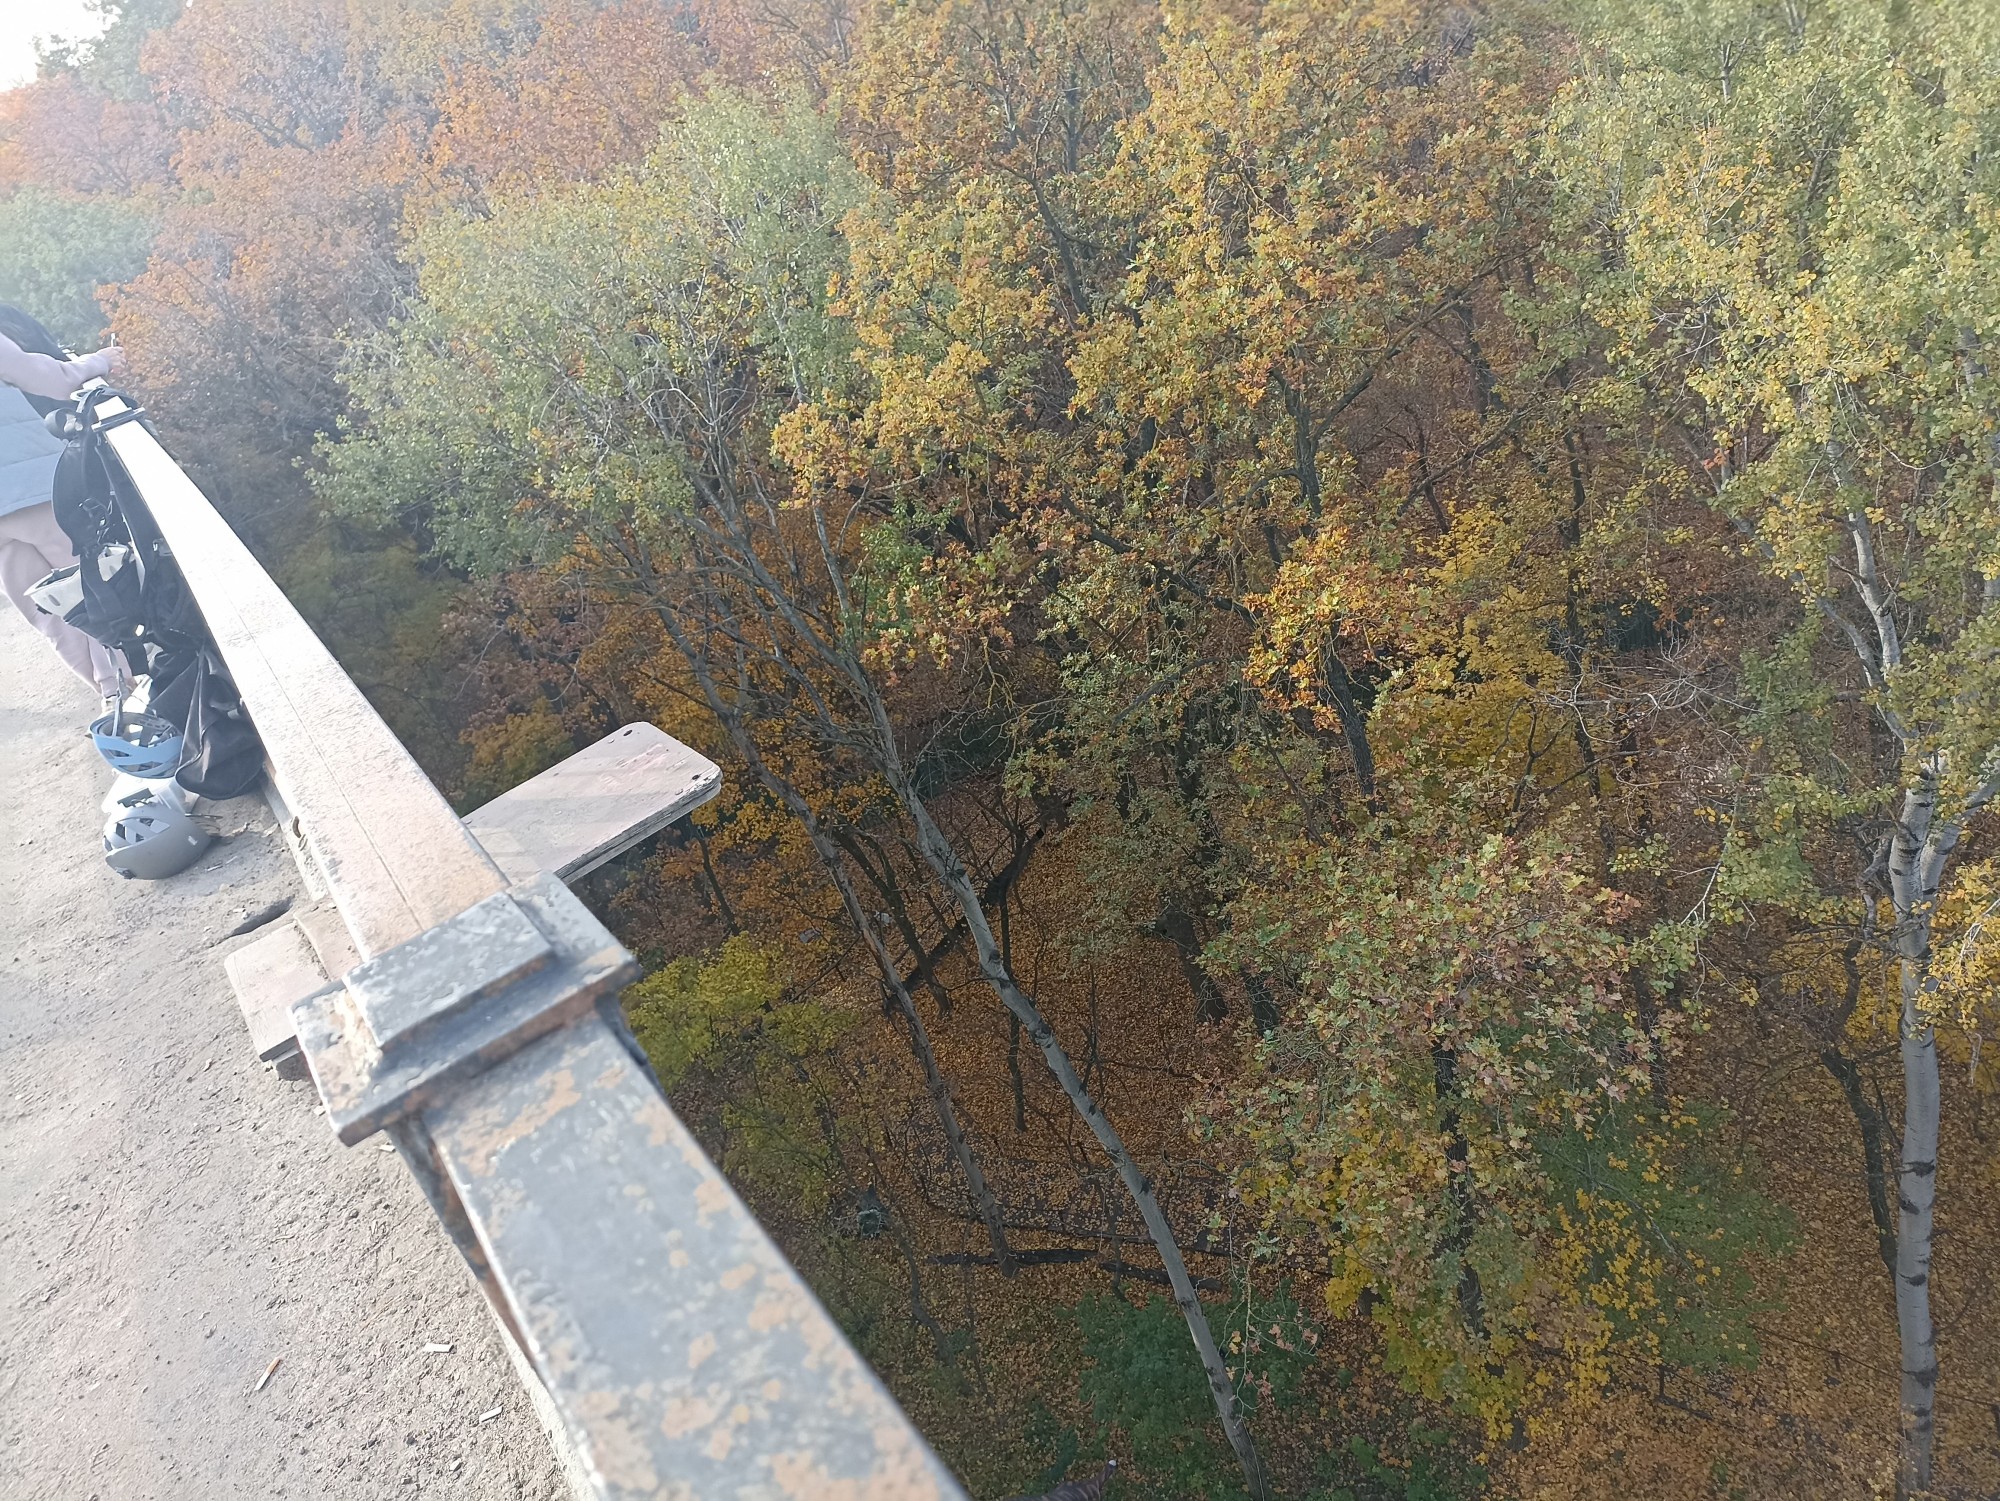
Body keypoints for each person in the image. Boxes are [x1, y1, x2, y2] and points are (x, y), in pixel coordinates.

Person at [0, 304, 128, 698]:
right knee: (91, 585)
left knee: (49, 610)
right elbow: (50, 378)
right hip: (30, 489)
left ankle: (113, 701)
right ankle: (124, 684)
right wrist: (98, 361)